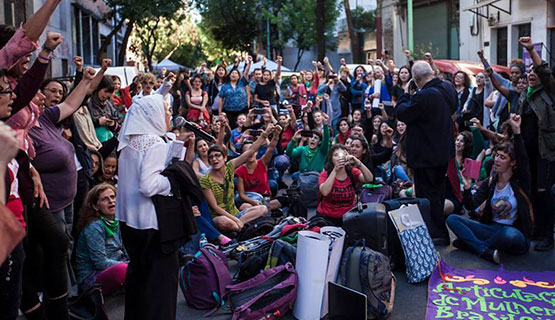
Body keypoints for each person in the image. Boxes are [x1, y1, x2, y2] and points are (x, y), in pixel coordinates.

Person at [20, 67, 97, 320]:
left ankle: (64, 298)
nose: (44, 99)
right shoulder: (24, 130)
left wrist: (86, 80)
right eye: (39, 95)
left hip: (67, 199)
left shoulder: (44, 119)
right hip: (48, 203)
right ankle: (54, 304)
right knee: (55, 248)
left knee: (63, 247)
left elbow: (71, 103)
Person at [115, 94, 185, 320]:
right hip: (153, 225)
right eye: (166, 111)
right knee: (161, 289)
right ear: (152, 114)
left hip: (129, 222)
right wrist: (172, 183)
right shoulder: (155, 144)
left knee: (139, 280)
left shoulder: (128, 142)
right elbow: (148, 185)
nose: (170, 115)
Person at [447, 115, 531, 263]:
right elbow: (470, 206)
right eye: (496, 156)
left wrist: (517, 132)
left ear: (512, 163)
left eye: (502, 157)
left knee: (509, 234)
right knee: (453, 219)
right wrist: (467, 189)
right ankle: (483, 249)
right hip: (491, 229)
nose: (497, 160)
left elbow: (523, 159)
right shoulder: (490, 183)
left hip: (513, 233)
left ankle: (473, 245)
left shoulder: (520, 182)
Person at [395, 61, 457, 245]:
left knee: (427, 196)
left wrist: (406, 94)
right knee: (437, 193)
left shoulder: (425, 95)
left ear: (416, 79)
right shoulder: (448, 87)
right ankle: (439, 232)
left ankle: (435, 233)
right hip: (442, 152)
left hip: (426, 155)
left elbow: (403, 113)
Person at [200, 126, 272, 233]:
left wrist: (264, 135)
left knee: (263, 208)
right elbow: (215, 208)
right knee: (223, 222)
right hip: (220, 217)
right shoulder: (205, 179)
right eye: (211, 157)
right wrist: (235, 220)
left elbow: (250, 151)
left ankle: (240, 228)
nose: (214, 159)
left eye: (217, 156)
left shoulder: (229, 166)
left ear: (224, 158)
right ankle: (245, 228)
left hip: (236, 214)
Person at [75, 184, 128, 295]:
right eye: (105, 199)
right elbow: (101, 263)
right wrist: (131, 266)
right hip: (92, 276)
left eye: (113, 197)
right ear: (95, 206)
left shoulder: (117, 220)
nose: (111, 201)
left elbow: (126, 249)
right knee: (122, 271)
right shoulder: (94, 226)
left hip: (120, 263)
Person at [317, 144, 373, 226]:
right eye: (336, 155)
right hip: (327, 217)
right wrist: (335, 170)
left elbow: (369, 179)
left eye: (342, 155)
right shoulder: (325, 174)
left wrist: (358, 162)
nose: (339, 158)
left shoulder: (352, 172)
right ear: (331, 159)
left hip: (348, 216)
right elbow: (325, 192)